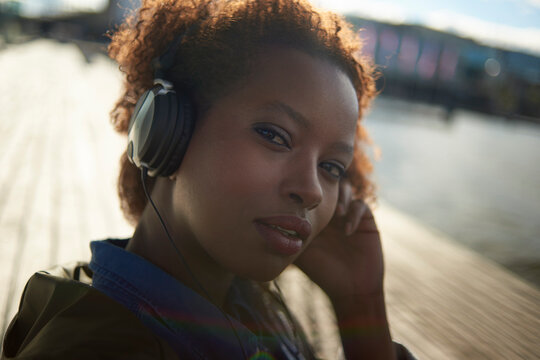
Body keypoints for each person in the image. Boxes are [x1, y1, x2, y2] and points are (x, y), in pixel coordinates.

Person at [1, 0, 415, 359]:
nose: (310, 191)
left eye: (331, 167)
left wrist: (362, 308)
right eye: (274, 135)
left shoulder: (241, 304)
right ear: (167, 131)